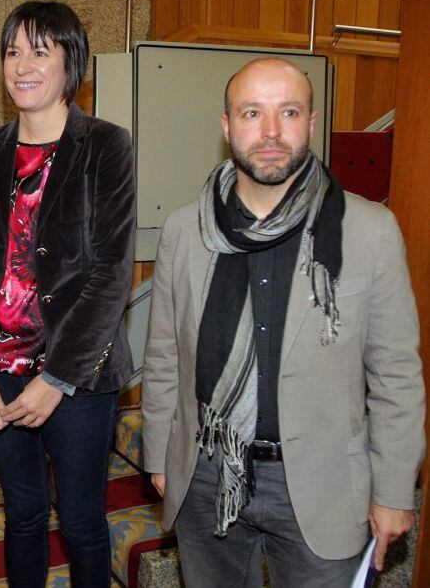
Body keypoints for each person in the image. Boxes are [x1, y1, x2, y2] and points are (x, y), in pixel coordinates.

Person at [142, 57, 425, 587]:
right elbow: (164, 357)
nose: (271, 132)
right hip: (207, 473)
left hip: (324, 484)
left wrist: (392, 492)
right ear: (227, 126)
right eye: (252, 113)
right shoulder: (183, 231)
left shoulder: (370, 231)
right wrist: (160, 455)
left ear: (311, 123)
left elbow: (396, 376)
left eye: (288, 112)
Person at [0, 1, 135, 587]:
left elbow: (110, 273)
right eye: (12, 51)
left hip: (77, 376)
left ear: (69, 62)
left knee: (80, 520)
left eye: (39, 50)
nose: (22, 65)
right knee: (23, 513)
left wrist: (56, 379)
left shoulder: (106, 146)